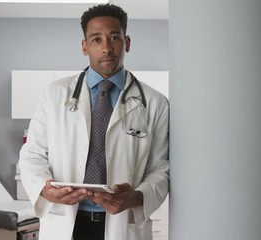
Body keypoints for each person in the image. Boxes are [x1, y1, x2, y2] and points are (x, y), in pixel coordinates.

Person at [19, 4, 169, 240]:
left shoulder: (155, 103)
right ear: (84, 46)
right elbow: (33, 154)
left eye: (114, 38)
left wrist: (138, 196)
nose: (107, 48)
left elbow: (160, 168)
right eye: (96, 39)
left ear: (127, 42)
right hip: (68, 222)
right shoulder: (54, 94)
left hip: (122, 224)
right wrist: (45, 189)